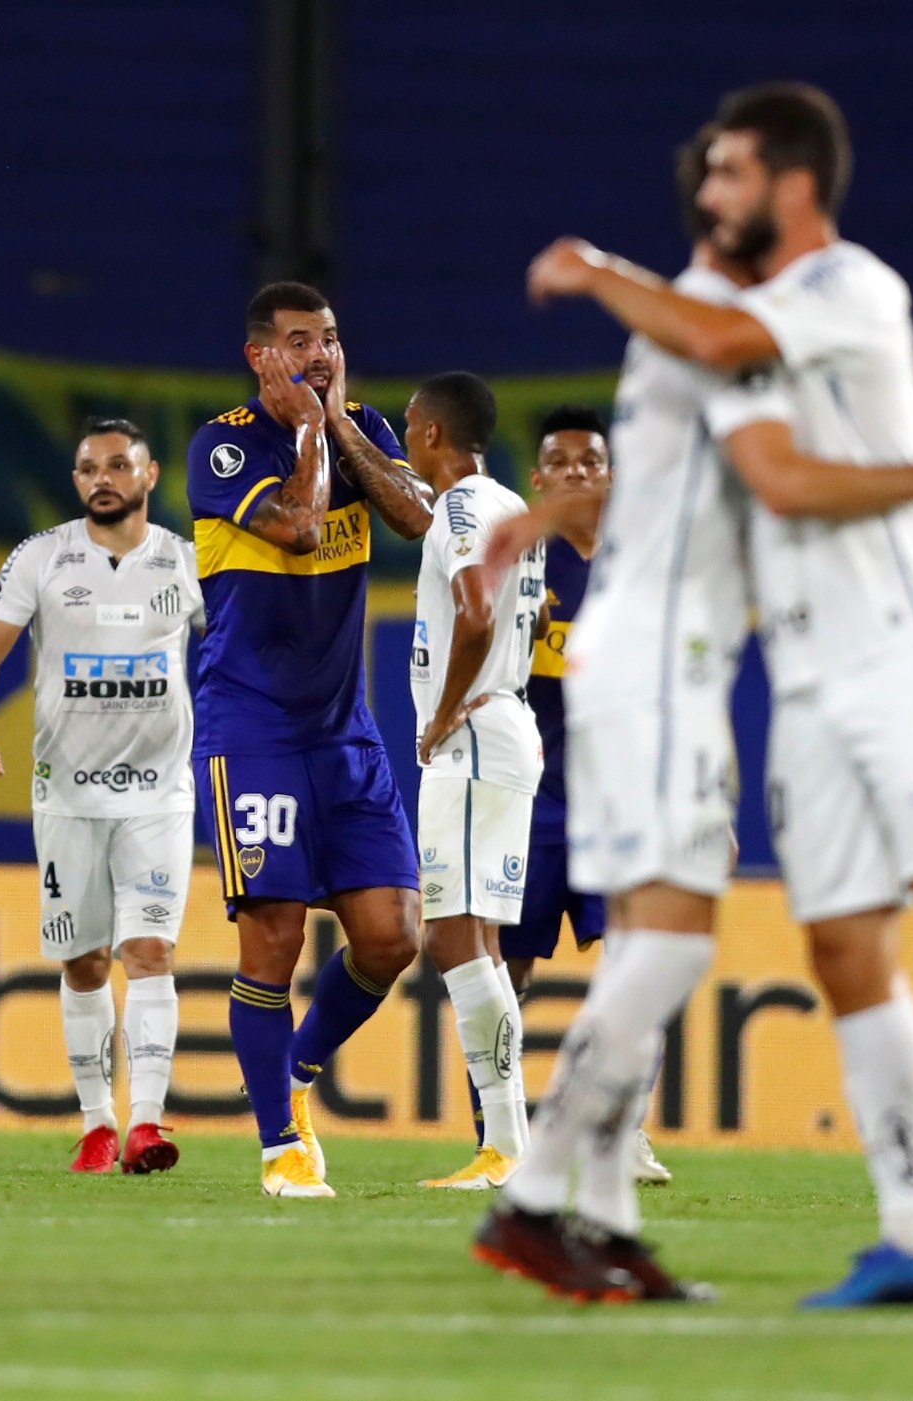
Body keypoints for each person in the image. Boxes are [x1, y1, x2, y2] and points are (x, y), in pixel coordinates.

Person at [517, 82, 913, 1307]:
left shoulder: (846, 289)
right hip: (798, 674)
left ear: (789, 186)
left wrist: (592, 269)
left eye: (728, 175)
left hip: (899, 646)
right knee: (842, 946)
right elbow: (762, 472)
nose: (709, 194)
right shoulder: (731, 325)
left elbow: (756, 414)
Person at [186, 281, 434, 1198]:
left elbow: (412, 514)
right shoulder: (220, 445)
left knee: (390, 937)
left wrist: (338, 426)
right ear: (260, 357)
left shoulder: (360, 424)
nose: (319, 355)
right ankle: (280, 1143)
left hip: (345, 730)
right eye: (298, 342)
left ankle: (292, 1066)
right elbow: (294, 530)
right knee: (275, 938)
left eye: (328, 338)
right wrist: (305, 435)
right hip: (252, 726)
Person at [0, 418, 201, 1175]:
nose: (104, 477)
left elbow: (237, 656)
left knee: (151, 950)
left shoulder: (189, 564)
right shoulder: (42, 557)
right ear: (76, 480)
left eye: (119, 464)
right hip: (65, 794)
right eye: (89, 466)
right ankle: (98, 1123)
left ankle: (148, 1125)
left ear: (150, 474)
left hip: (160, 793)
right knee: (86, 962)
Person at [496, 404, 673, 1189]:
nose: (575, 472)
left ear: (610, 474)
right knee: (509, 970)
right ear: (536, 480)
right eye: (559, 462)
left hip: (619, 802)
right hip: (531, 801)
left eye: (589, 461)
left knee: (637, 966)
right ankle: (500, 1136)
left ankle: (625, 1130)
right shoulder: (511, 560)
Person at [402, 371, 547, 1191]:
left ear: (429, 434)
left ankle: (504, 1140)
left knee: (452, 936)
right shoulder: (509, 511)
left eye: (411, 427)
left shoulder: (459, 509)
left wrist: (442, 711)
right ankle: (511, 1143)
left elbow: (476, 610)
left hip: (476, 733)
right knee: (481, 941)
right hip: (508, 723)